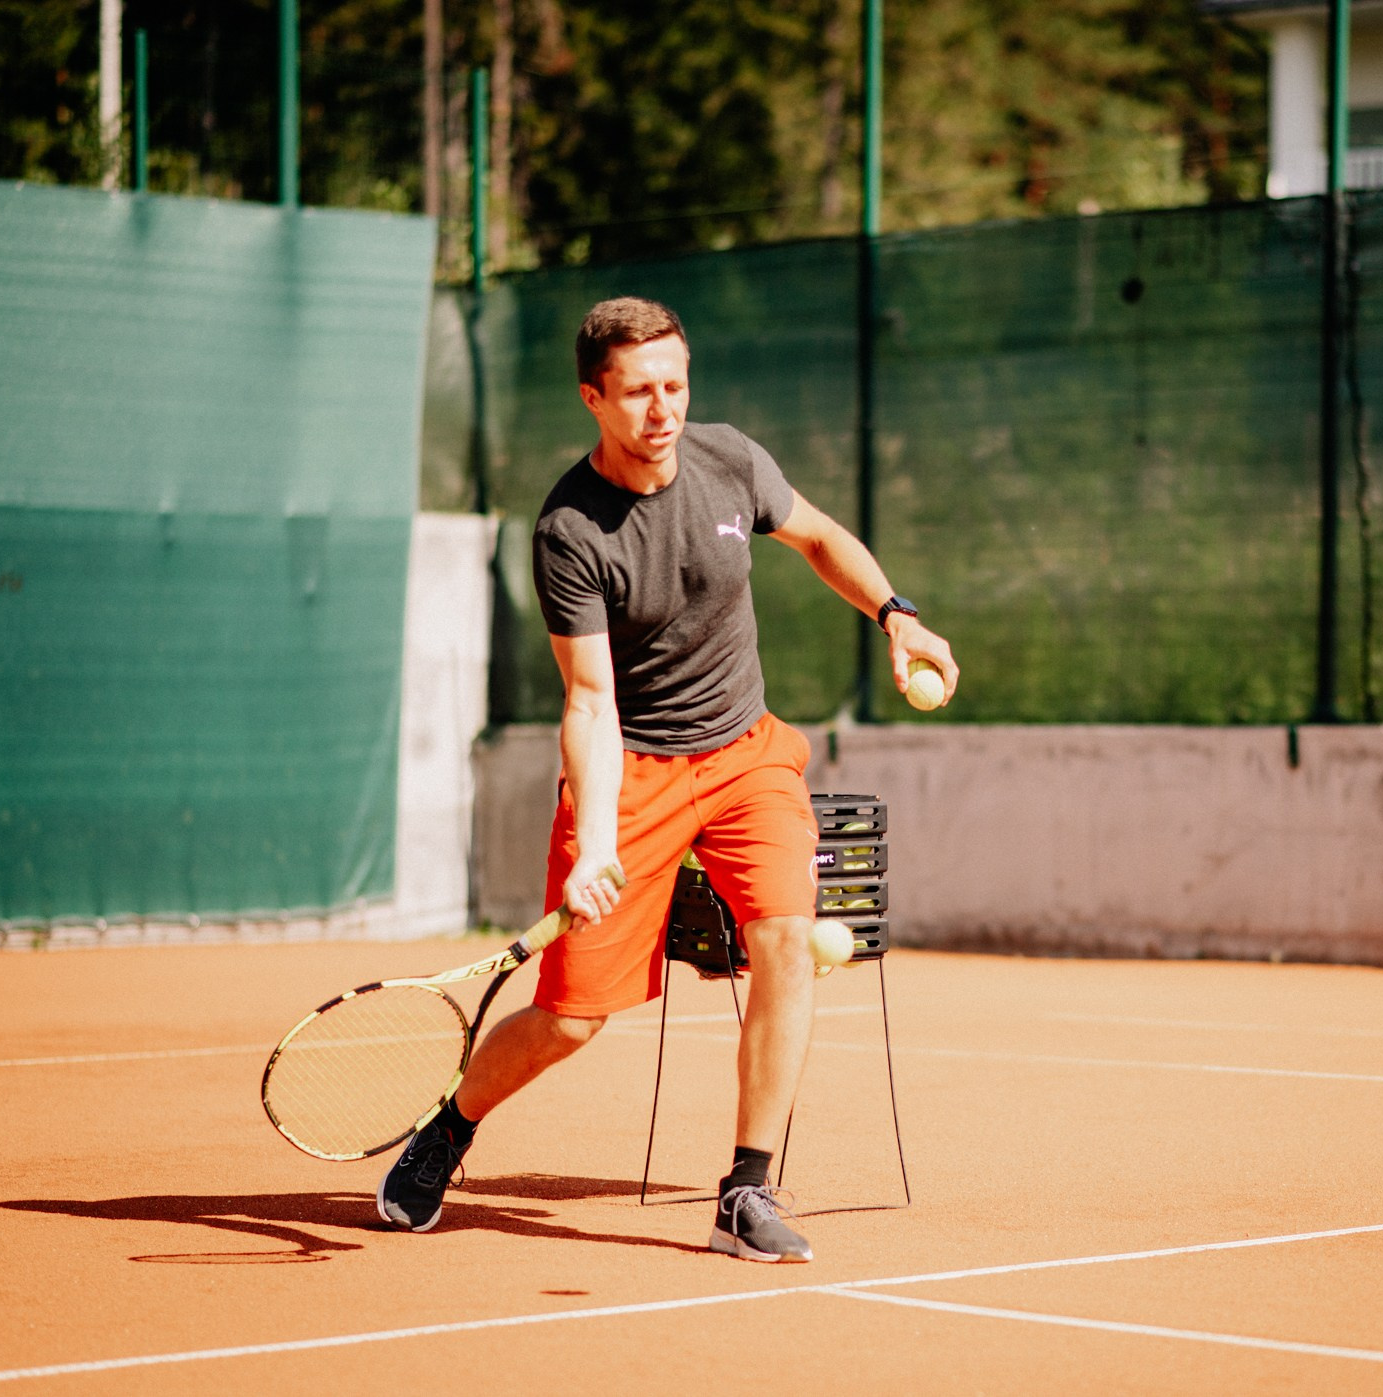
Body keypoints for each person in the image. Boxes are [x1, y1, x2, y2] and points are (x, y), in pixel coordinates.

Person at [378, 296, 957, 1263]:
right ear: (593, 398)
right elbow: (591, 704)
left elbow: (817, 537)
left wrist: (897, 615)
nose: (664, 409)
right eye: (640, 391)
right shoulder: (571, 528)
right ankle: (449, 1127)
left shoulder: (732, 460)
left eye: (676, 385)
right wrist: (597, 837)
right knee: (570, 1019)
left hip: (745, 754)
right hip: (633, 771)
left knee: (784, 942)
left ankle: (746, 1187)